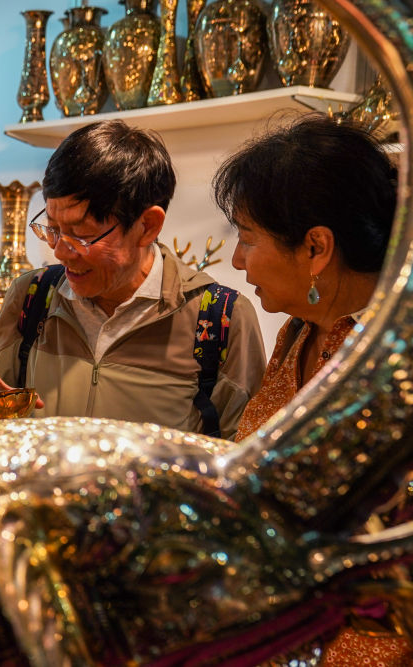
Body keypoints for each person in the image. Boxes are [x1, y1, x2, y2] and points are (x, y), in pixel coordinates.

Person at [214, 114, 404, 664]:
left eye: (247, 238)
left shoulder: (396, 352)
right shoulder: (298, 333)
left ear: (316, 247)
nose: (237, 260)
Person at [0, 120, 266, 439]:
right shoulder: (33, 297)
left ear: (147, 226)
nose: (60, 252)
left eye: (82, 235)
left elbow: (249, 457)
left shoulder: (220, 320)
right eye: (54, 229)